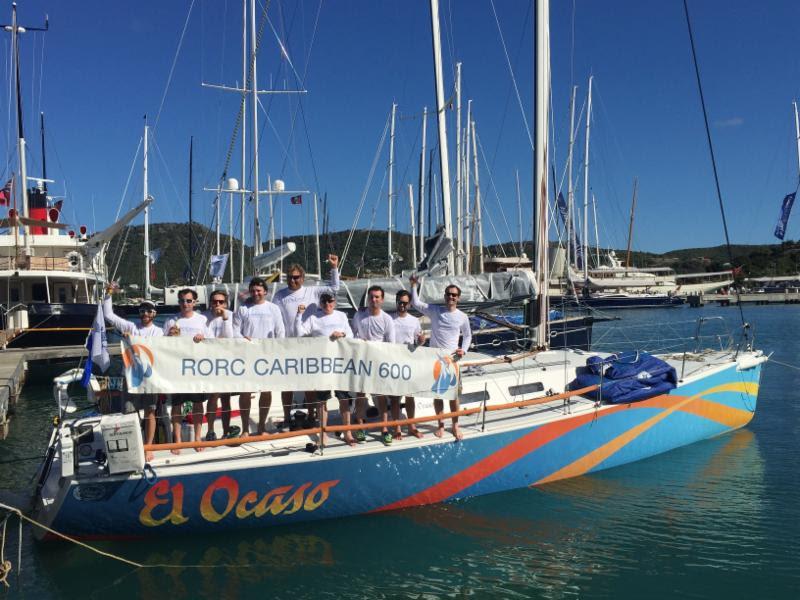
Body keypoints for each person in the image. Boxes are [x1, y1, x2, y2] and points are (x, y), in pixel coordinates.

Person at [272, 255, 340, 424]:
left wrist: (334, 268)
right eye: (290, 277)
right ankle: (287, 417)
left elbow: (334, 288)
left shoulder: (312, 291)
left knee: (309, 382)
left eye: (296, 277)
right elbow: (275, 318)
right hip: (287, 344)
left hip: (309, 344)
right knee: (286, 384)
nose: (293, 280)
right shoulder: (279, 295)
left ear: (302, 278)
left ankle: (311, 415)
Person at [102, 285, 163, 461]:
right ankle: (135, 445)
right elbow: (108, 315)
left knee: (150, 412)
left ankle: (149, 446)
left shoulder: (159, 332)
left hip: (150, 378)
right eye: (142, 310)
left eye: (149, 311)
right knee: (130, 412)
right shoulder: (130, 326)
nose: (145, 313)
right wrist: (108, 294)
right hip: (129, 377)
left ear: (154, 314)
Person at [409, 275, 472, 440]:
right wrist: (414, 285)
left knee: (454, 396)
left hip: (453, 360)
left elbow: (467, 336)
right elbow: (416, 303)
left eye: (454, 295)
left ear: (458, 298)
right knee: (438, 395)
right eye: (448, 294)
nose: (451, 297)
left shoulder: (462, 317)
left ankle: (455, 425)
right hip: (435, 359)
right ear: (444, 296)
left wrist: (463, 351)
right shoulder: (435, 310)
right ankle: (441, 424)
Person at [295, 292, 357, 445]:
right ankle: (323, 433)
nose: (327, 304)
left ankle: (347, 432)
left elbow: (350, 335)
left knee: (343, 399)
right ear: (320, 303)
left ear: (335, 302)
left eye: (330, 301)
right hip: (322, 366)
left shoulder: (341, 316)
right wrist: (298, 315)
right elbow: (299, 333)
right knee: (322, 401)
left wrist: (341, 334)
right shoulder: (313, 317)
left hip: (339, 365)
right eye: (324, 301)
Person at [232, 277, 286, 435]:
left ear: (265, 292)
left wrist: (277, 348)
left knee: (266, 391)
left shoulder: (273, 308)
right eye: (253, 290)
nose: (255, 293)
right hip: (246, 355)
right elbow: (235, 331)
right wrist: (243, 339)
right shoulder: (243, 308)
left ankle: (262, 425)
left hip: (267, 355)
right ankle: (244, 429)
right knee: (245, 392)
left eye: (259, 291)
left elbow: (280, 331)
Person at [163, 288, 209, 453]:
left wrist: (203, 338)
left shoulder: (202, 320)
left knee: (197, 404)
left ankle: (197, 438)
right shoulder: (170, 321)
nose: (185, 304)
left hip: (197, 369)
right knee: (177, 404)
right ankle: (178, 440)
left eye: (189, 301)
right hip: (177, 369)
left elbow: (212, 342)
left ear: (195, 302)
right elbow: (161, 346)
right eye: (182, 301)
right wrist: (168, 337)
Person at [351, 285, 396, 445]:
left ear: (382, 300)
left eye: (377, 297)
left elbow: (391, 344)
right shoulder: (359, 315)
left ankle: (384, 428)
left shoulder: (387, 319)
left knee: (381, 397)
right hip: (362, 362)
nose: (374, 300)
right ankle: (361, 426)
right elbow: (352, 335)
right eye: (371, 297)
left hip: (379, 363)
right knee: (361, 395)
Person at [194, 290, 238, 441]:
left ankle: (226, 431)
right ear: (210, 303)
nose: (217, 304)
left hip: (227, 361)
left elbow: (230, 337)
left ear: (226, 303)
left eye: (221, 302)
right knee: (213, 396)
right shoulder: (203, 317)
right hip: (210, 361)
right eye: (215, 302)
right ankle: (210, 430)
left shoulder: (231, 315)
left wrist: (225, 318)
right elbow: (203, 335)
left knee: (226, 398)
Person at [390, 289, 426, 439]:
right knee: (395, 397)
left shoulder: (414, 320)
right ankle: (397, 427)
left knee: (410, 396)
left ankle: (411, 425)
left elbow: (418, 341)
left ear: (409, 304)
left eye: (405, 303)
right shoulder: (389, 319)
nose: (402, 305)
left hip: (410, 362)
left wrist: (421, 341)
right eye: (400, 302)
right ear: (396, 302)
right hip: (393, 361)